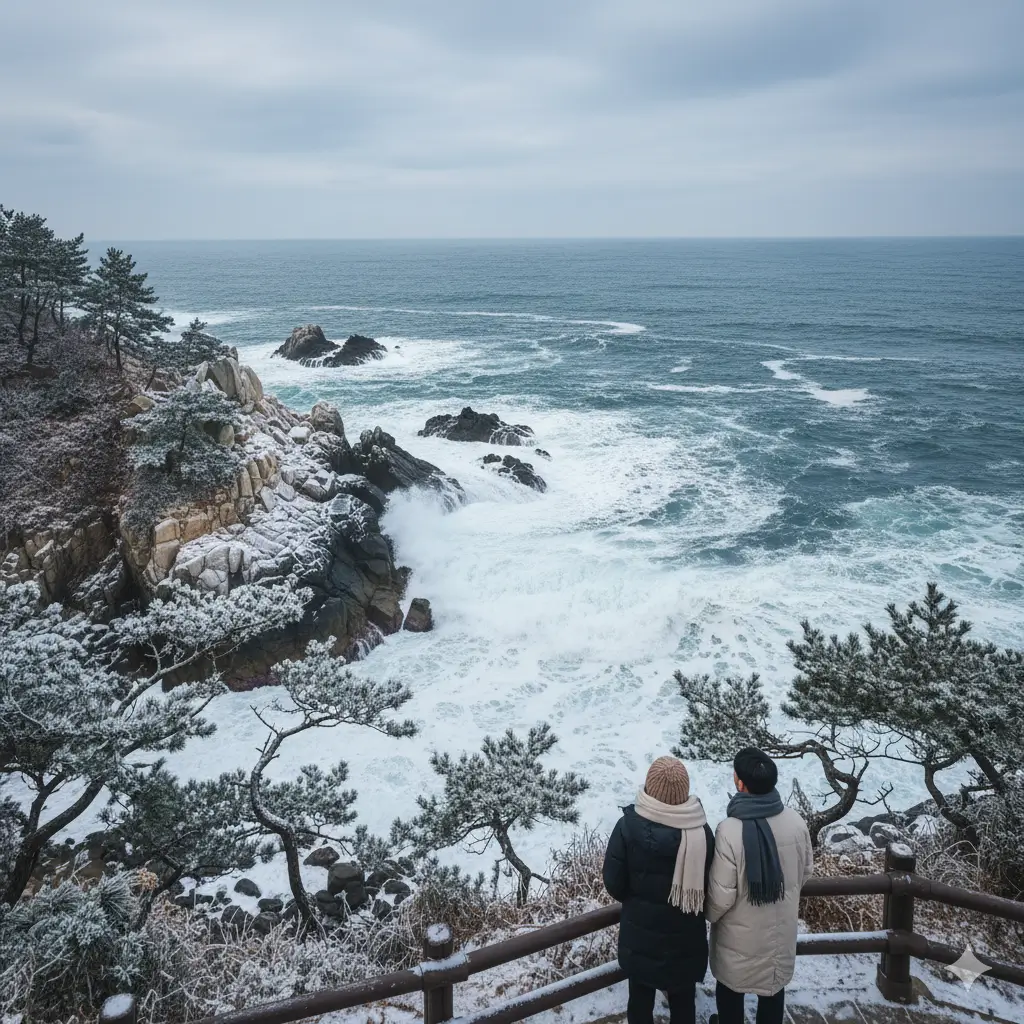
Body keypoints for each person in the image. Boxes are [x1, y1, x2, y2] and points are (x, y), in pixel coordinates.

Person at [603, 756, 716, 1024]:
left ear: (650, 788)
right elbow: (710, 885)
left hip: (640, 937)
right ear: (683, 791)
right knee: (683, 1001)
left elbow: (614, 884)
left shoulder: (628, 827)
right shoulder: (701, 832)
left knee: (640, 1002)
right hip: (685, 939)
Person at [705, 747, 814, 1024]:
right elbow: (806, 873)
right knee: (773, 991)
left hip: (737, 939)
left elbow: (719, 898)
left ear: (739, 783)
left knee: (730, 993)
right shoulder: (796, 821)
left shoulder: (729, 830)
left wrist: (707, 916)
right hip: (780, 935)